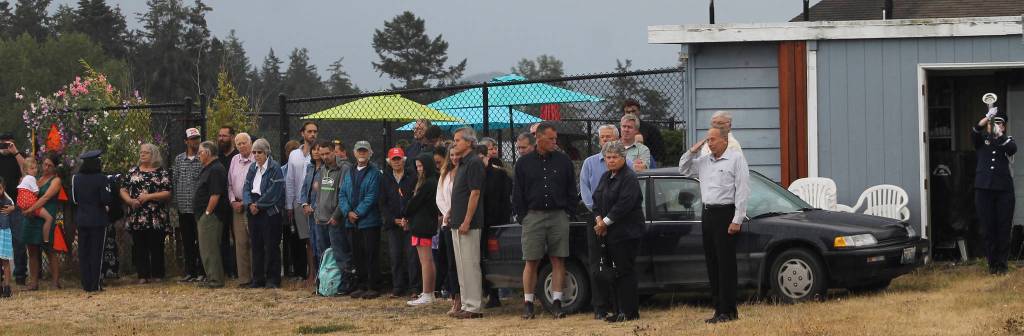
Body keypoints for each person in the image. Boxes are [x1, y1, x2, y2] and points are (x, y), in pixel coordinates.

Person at [678, 126, 750, 324]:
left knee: (726, 264)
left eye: (713, 139)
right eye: (708, 140)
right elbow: (683, 168)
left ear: (724, 140)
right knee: (712, 263)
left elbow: (743, 189)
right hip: (708, 213)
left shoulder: (735, 158)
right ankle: (718, 309)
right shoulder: (704, 161)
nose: (709, 143)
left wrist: (737, 219)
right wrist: (692, 150)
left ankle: (729, 310)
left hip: (725, 213)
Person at [512, 122, 579, 319]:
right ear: (539, 138)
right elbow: (517, 193)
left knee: (559, 258)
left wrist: (568, 213)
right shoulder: (523, 163)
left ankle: (557, 302)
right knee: (531, 260)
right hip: (533, 216)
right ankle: (528, 303)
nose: (554, 142)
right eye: (551, 139)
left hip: (558, 215)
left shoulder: (563, 161)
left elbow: (571, 189)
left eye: (555, 138)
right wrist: (523, 217)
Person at [580, 125, 632, 319]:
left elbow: (628, 195)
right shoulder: (589, 163)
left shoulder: (626, 163)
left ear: (617, 139)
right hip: (596, 219)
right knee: (598, 263)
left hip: (618, 220)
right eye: (602, 137)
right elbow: (586, 192)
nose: (605, 141)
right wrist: (598, 217)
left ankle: (618, 306)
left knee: (618, 262)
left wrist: (609, 219)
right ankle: (600, 307)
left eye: (609, 137)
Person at [591, 141, 644, 323]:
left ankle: (629, 311)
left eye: (615, 157)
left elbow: (624, 204)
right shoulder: (606, 176)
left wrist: (605, 223)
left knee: (624, 271)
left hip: (626, 233)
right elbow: (596, 199)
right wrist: (598, 218)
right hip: (608, 233)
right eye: (608, 157)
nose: (611, 160)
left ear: (623, 157)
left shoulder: (629, 177)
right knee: (612, 272)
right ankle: (617, 310)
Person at [447, 128, 486, 319]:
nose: (455, 143)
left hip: (468, 223)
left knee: (470, 264)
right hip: (457, 221)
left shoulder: (474, 162)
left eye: (458, 140)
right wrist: (451, 212)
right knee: (462, 266)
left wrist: (467, 220)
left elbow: (475, 192)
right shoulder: (462, 163)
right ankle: (466, 302)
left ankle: (474, 306)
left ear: (469, 142)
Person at [120, 143, 172, 284]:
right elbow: (123, 189)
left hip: (156, 216)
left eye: (146, 152)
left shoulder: (161, 172)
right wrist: (130, 201)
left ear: (153, 154)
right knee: (139, 246)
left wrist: (148, 197)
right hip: (137, 216)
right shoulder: (133, 171)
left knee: (157, 246)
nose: (142, 154)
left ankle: (158, 274)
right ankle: (142, 275)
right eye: (141, 152)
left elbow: (167, 192)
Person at [973, 107, 1016, 275]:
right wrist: (986, 119)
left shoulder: (1007, 141)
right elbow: (975, 131)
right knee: (988, 228)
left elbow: (1012, 149)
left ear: (1004, 126)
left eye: (999, 124)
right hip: (984, 189)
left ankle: (1002, 265)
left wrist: (999, 134)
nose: (995, 126)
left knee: (1003, 227)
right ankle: (992, 265)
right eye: (993, 123)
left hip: (1003, 190)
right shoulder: (982, 140)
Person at [338, 140, 382, 299]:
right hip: (351, 222)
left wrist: (357, 212)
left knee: (371, 254)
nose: (362, 153)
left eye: (365, 150)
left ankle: (373, 286)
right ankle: (361, 285)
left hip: (369, 222)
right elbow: (342, 194)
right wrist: (347, 212)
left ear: (370, 153)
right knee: (357, 255)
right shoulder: (349, 171)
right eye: (359, 150)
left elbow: (372, 196)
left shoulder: (375, 173)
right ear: (354, 153)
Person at [243, 139, 286, 289]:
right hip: (253, 208)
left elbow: (274, 192)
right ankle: (258, 279)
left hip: (269, 211)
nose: (256, 155)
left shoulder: (275, 168)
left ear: (266, 152)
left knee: (271, 245)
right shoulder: (252, 168)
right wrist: (249, 203)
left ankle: (273, 279)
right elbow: (246, 187)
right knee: (256, 245)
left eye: (259, 152)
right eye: (254, 152)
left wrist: (259, 205)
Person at [311, 140, 352, 293]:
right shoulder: (322, 169)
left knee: (340, 253)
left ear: (334, 151)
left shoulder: (344, 168)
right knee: (322, 254)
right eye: (322, 154)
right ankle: (324, 285)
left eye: (327, 153)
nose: (325, 157)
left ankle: (345, 285)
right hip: (320, 219)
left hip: (336, 221)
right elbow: (319, 194)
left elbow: (344, 195)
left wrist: (336, 216)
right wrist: (316, 212)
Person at [379, 147, 419, 298]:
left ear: (404, 160)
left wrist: (408, 219)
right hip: (392, 224)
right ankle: (397, 288)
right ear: (389, 162)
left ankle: (414, 288)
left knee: (412, 256)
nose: (397, 162)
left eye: (399, 159)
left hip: (410, 223)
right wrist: (392, 220)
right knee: (395, 256)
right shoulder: (384, 178)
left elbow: (415, 199)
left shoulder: (413, 176)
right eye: (394, 159)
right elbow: (382, 202)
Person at [71, 150, 112, 292]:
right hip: (98, 219)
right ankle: (95, 284)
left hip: (82, 219)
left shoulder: (76, 178)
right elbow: (106, 199)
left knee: (84, 252)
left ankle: (86, 284)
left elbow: (74, 199)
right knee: (97, 253)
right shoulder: (102, 178)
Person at [21, 154, 63, 290]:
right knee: (32, 250)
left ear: (55, 167)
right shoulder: (36, 178)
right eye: (45, 164)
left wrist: (30, 209)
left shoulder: (56, 180)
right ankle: (34, 282)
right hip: (33, 217)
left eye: (50, 165)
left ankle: (55, 282)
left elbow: (45, 198)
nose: (46, 167)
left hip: (46, 218)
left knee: (50, 250)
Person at [479, 143, 511, 308]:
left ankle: (497, 293)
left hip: (496, 222)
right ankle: (490, 293)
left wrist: (502, 221)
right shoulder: (475, 174)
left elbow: (505, 199)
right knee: (483, 259)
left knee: (495, 257)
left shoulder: (499, 174)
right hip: (481, 222)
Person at [405, 154, 440, 306]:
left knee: (425, 260)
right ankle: (429, 293)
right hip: (423, 223)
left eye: (421, 166)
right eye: (417, 166)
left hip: (422, 224)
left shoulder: (428, 183)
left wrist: (405, 213)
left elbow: (414, 202)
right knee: (427, 260)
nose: (419, 169)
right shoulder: (431, 181)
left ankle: (427, 293)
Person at [194, 141, 229, 288]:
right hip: (205, 215)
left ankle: (215, 280)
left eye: (200, 152)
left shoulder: (216, 169)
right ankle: (211, 277)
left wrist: (208, 213)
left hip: (211, 216)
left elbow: (215, 194)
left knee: (210, 248)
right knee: (205, 247)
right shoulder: (208, 168)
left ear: (208, 153)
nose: (198, 155)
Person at [285, 122, 318, 281]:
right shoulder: (294, 155)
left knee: (317, 240)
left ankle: (318, 274)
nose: (312, 134)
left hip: (316, 204)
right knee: (307, 240)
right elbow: (290, 181)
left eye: (315, 132)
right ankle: (310, 274)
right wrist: (289, 205)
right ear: (302, 133)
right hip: (298, 203)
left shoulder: (319, 152)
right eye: (309, 131)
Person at [172, 127, 204, 282]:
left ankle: (202, 272)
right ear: (186, 141)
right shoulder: (179, 159)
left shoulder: (203, 157)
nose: (195, 141)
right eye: (192, 139)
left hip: (199, 209)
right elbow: (175, 180)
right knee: (187, 242)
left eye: (197, 138)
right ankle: (190, 272)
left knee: (201, 241)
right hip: (183, 209)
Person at [227, 133, 255, 287]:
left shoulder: (257, 159)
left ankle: (256, 276)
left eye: (244, 142)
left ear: (250, 143)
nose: (242, 146)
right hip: (237, 207)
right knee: (241, 242)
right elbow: (230, 184)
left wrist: (246, 202)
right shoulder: (234, 160)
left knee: (254, 241)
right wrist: (232, 201)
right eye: (239, 144)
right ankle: (244, 279)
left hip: (252, 206)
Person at [436, 147, 462, 313]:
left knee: (459, 263)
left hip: (460, 222)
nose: (454, 158)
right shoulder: (444, 175)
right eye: (451, 155)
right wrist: (447, 214)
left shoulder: (464, 172)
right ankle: (455, 298)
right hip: (447, 224)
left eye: (457, 154)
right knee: (449, 262)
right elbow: (439, 198)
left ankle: (464, 298)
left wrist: (454, 214)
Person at [0, 133, 26, 286]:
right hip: (0, 207)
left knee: (19, 240)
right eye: (2, 143)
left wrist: (15, 152)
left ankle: (20, 275)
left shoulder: (18, 156)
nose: (5, 146)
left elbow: (27, 172)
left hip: (16, 206)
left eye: (7, 143)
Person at [297, 141, 323, 288]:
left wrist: (314, 207)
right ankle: (314, 277)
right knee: (312, 244)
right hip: (309, 213)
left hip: (320, 213)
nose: (316, 152)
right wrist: (304, 204)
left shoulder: (325, 169)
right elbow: (304, 188)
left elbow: (325, 193)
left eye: (319, 149)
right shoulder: (309, 167)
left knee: (320, 245)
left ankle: (322, 278)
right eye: (314, 149)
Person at [216, 126, 239, 279]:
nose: (221, 139)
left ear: (232, 137)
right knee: (222, 237)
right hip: (219, 203)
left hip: (235, 203)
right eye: (219, 136)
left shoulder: (237, 156)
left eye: (224, 136)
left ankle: (237, 269)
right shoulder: (216, 157)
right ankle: (226, 269)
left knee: (238, 237)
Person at [16, 160, 53, 244]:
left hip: (21, 201)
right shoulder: (31, 178)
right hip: (29, 201)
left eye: (35, 168)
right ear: (26, 170)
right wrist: (39, 187)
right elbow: (37, 192)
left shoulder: (24, 178)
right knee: (49, 218)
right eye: (32, 168)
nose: (35, 170)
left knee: (31, 217)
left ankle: (33, 238)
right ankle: (46, 240)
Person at [623, 99, 665, 167]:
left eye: (633, 111)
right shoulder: (619, 131)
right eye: (627, 112)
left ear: (639, 111)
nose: (631, 114)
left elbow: (659, 154)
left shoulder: (652, 130)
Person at [0, 177, 15, 297]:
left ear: (4, 188)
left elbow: (13, 205)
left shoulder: (7, 200)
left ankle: (7, 287)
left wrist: (13, 208)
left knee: (5, 260)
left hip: (4, 232)